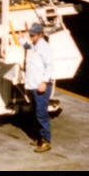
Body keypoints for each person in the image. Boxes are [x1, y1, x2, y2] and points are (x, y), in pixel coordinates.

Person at [24, 22, 55, 153]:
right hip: (33, 84)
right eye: (30, 35)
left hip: (40, 86)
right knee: (36, 112)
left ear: (40, 35)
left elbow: (50, 66)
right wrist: (20, 37)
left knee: (41, 114)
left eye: (33, 35)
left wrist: (44, 81)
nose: (30, 37)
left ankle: (46, 140)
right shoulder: (33, 45)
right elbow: (25, 45)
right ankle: (39, 138)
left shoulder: (45, 48)